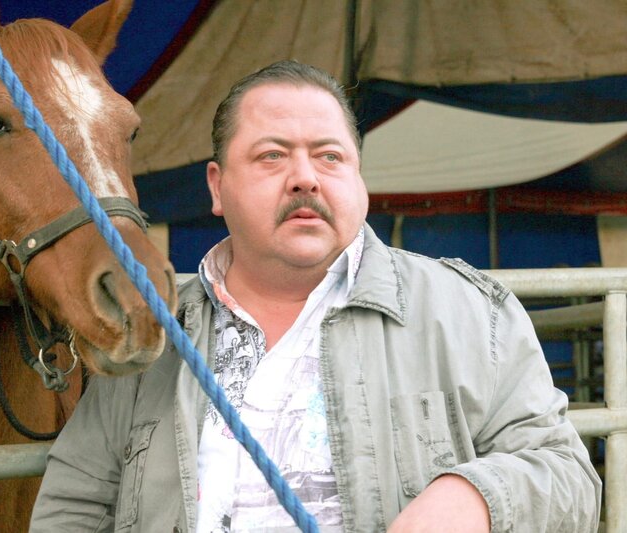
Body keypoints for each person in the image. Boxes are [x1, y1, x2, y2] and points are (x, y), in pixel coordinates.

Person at [30, 60, 601, 532]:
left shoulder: (471, 313)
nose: (306, 177)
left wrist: (474, 497)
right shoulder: (151, 331)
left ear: (359, 181)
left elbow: (569, 476)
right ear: (217, 187)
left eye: (330, 157)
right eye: (272, 156)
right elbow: (73, 506)